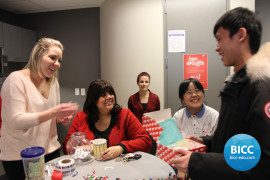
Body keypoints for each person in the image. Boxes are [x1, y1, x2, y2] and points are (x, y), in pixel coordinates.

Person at [171, 7, 270, 179]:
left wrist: (195, 162)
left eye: (219, 40)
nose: (216, 48)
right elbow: (236, 140)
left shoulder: (260, 87)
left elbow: (260, 161)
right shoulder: (237, 82)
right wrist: (205, 141)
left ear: (240, 35)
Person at [0, 37, 78, 180]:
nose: (57, 64)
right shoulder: (16, 79)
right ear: (38, 55)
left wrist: (59, 118)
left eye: (60, 60)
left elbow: (48, 117)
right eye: (52, 58)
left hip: (51, 149)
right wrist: (54, 112)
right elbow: (16, 121)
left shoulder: (53, 82)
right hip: (20, 155)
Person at [63, 79, 152, 161]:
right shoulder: (81, 117)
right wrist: (84, 147)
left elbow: (145, 140)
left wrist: (121, 148)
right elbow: (67, 146)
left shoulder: (125, 115)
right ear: (93, 100)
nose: (109, 97)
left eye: (111, 93)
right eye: (103, 95)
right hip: (90, 169)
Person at [128, 72, 160, 155]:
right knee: (139, 154)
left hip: (152, 132)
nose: (144, 84)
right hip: (137, 132)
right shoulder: (132, 99)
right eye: (141, 81)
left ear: (149, 83)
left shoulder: (155, 98)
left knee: (151, 155)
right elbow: (130, 118)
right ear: (137, 83)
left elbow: (158, 116)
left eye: (146, 82)